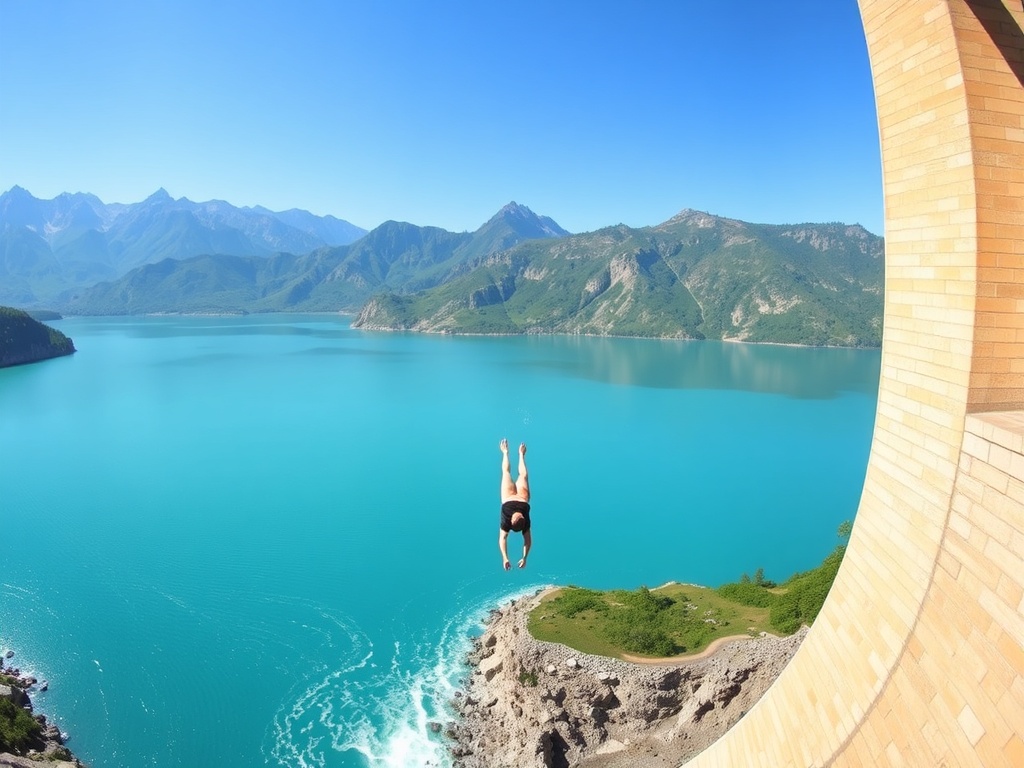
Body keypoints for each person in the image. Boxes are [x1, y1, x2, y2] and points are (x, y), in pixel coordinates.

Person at [498, 438, 532, 570]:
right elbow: (528, 542)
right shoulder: (525, 524)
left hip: (509, 496)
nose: (518, 514)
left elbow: (502, 539)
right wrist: (525, 557)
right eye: (520, 516)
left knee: (506, 473)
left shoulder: (506, 524)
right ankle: (521, 455)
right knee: (523, 475)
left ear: (511, 520)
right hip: (523, 498)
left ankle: (505, 452)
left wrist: (505, 557)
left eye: (516, 516)